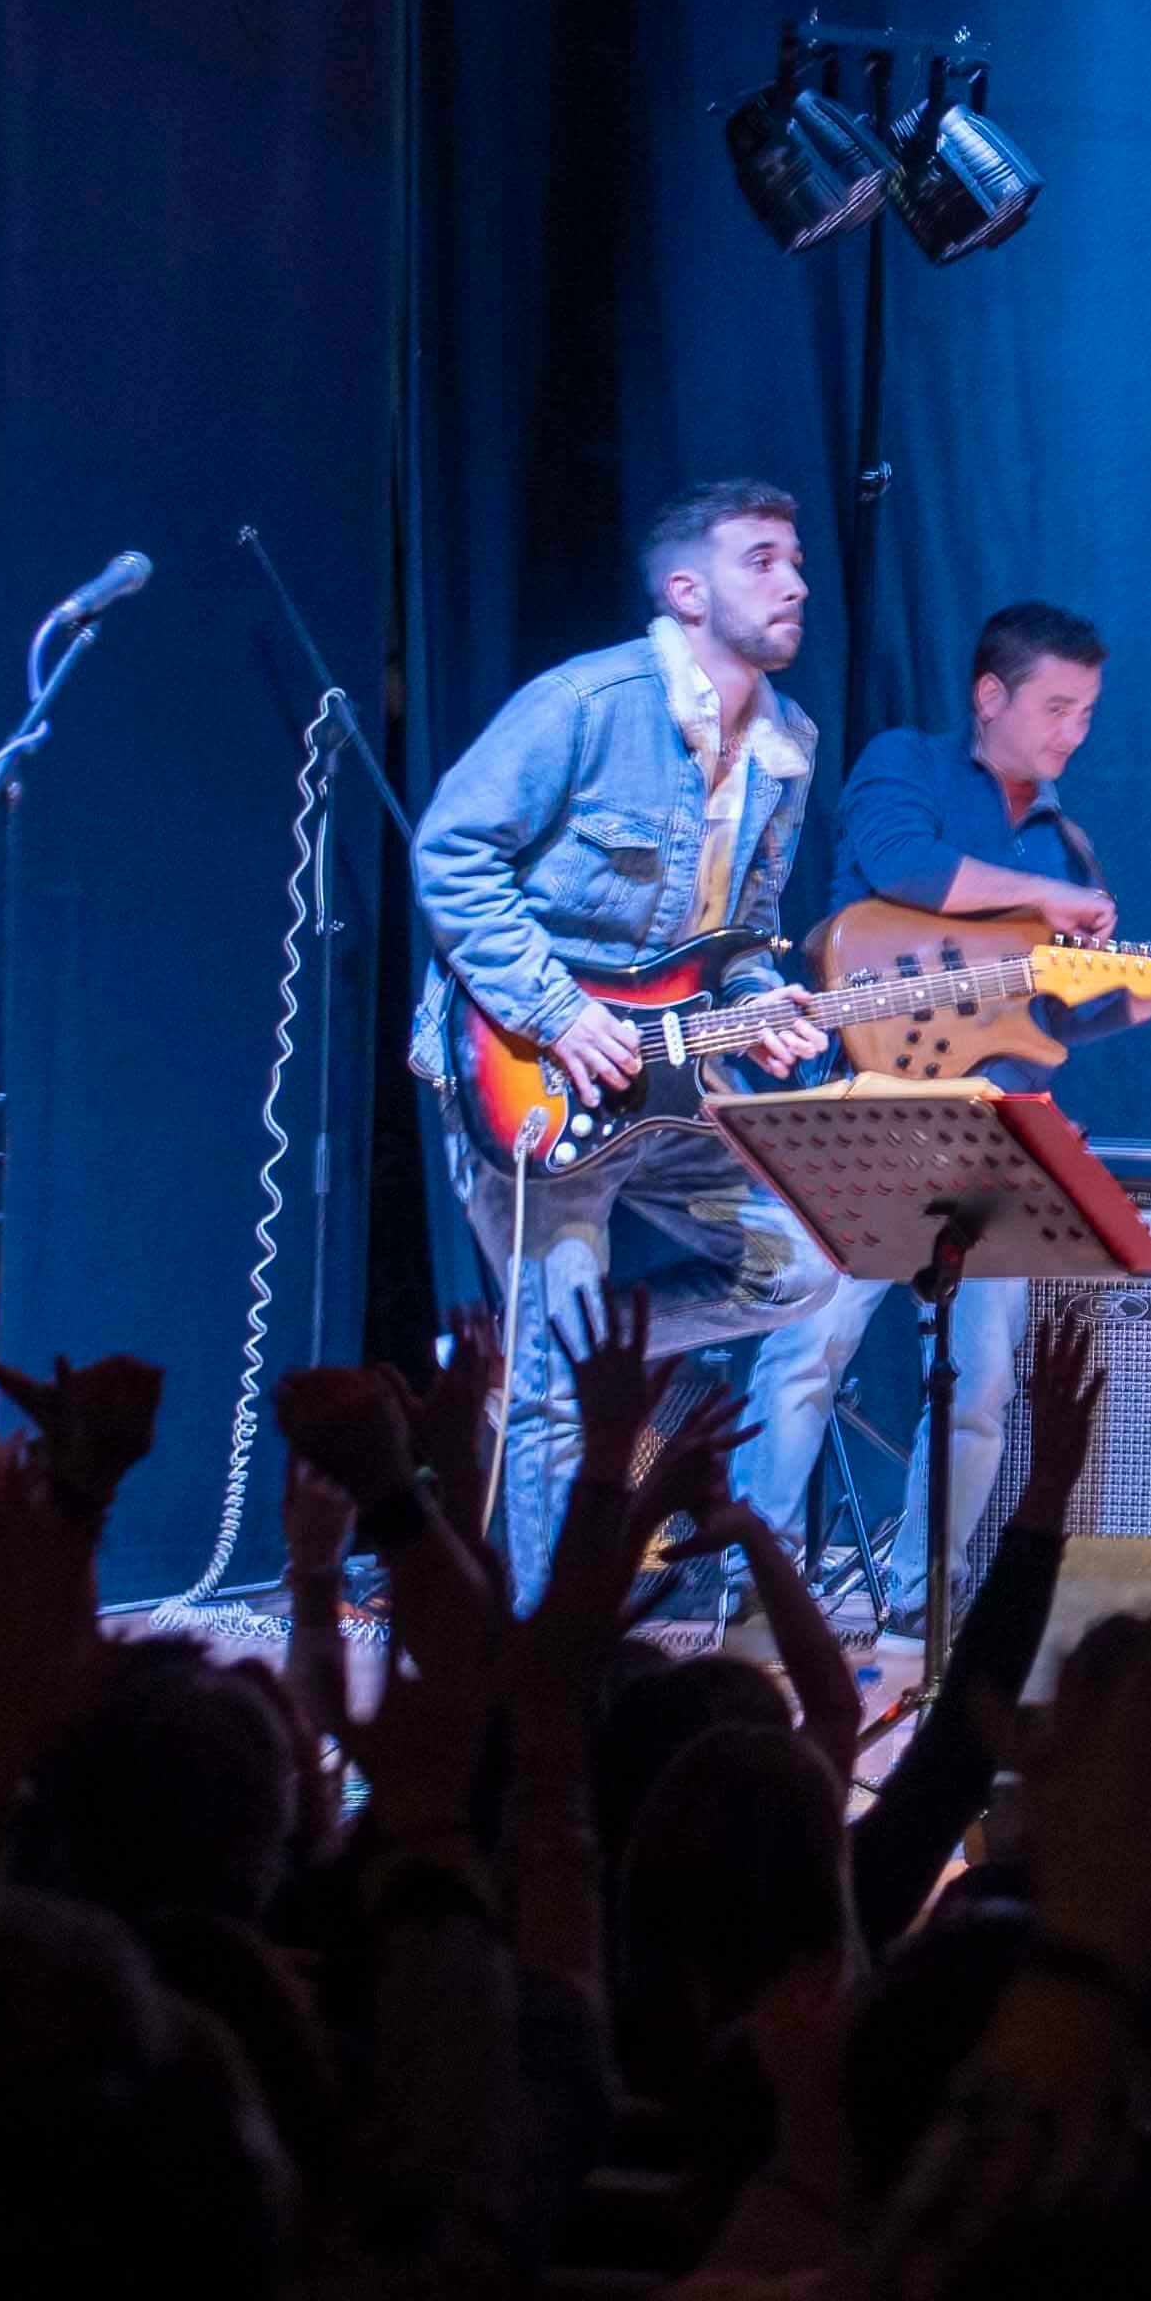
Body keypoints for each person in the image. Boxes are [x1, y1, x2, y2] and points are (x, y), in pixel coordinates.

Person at [746, 602, 1151, 1616]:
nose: (1075, 730)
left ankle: (926, 1593)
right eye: (1057, 706)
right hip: (868, 1107)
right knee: (804, 1350)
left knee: (981, 1380)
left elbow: (1068, 1015)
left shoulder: (1064, 844)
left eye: (1088, 711)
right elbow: (901, 863)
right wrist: (1043, 902)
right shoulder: (905, 763)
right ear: (990, 695)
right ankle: (753, 1574)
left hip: (992, 1130)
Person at [408, 478, 844, 1593]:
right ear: (686, 590)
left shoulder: (787, 743)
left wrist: (762, 1005)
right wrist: (557, 1011)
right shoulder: (586, 704)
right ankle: (552, 1646)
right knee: (557, 1398)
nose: (795, 582)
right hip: (530, 1078)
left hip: (666, 1088)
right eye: (762, 560)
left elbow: (743, 929)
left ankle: (551, 1348)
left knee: (800, 1265)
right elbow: (451, 852)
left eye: (796, 560)